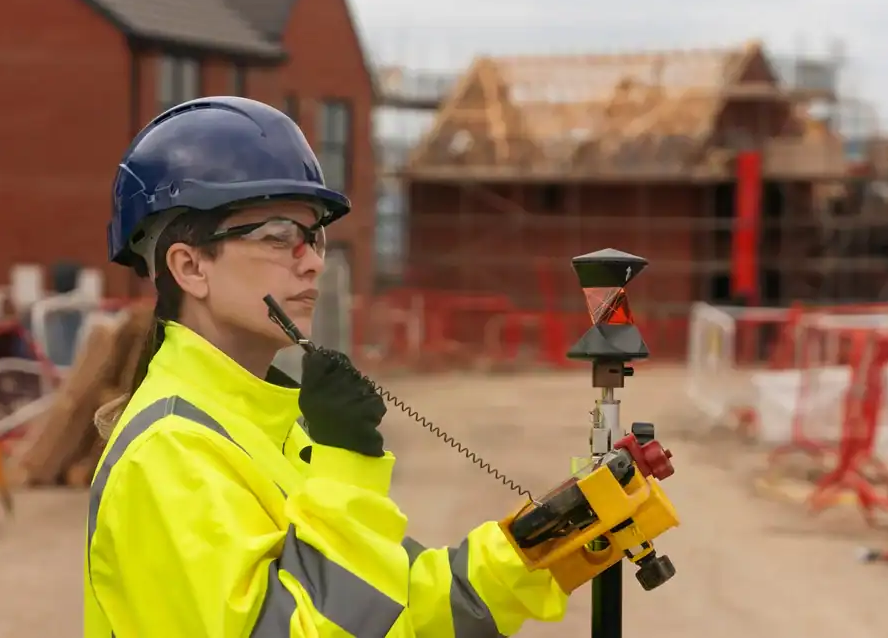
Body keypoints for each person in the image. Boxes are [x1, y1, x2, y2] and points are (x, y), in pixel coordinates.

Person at [84, 97, 569, 637]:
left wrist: (537, 548)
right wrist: (347, 467)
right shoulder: (170, 452)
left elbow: (389, 606)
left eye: (313, 235)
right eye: (277, 236)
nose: (313, 259)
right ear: (190, 266)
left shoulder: (266, 422)